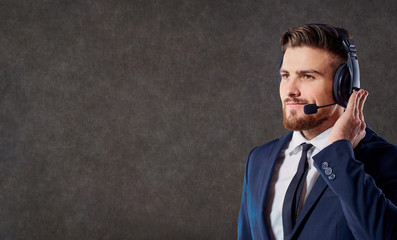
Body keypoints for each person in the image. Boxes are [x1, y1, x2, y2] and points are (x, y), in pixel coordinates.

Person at [237, 24, 397, 240]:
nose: (290, 90)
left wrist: (340, 158)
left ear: (344, 86)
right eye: (285, 75)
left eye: (307, 76)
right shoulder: (258, 159)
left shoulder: (387, 160)